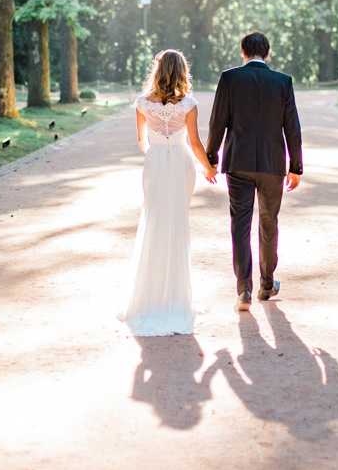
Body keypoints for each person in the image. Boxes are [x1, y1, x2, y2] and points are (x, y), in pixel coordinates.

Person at [120, 49, 217, 336]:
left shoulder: (141, 103)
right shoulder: (189, 104)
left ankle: (149, 298)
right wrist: (209, 168)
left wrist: (156, 156)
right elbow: (196, 143)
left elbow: (141, 139)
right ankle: (175, 299)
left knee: (154, 222)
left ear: (158, 70)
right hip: (182, 163)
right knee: (177, 224)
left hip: (156, 163)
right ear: (182, 71)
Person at [206, 30, 302, 312]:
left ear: (243, 52)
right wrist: (295, 167)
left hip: (238, 162)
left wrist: (212, 157)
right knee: (269, 222)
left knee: (240, 225)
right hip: (273, 164)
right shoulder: (283, 82)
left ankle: (243, 290)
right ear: (267, 53)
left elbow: (217, 122)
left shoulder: (230, 78)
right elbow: (292, 127)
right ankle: (267, 284)